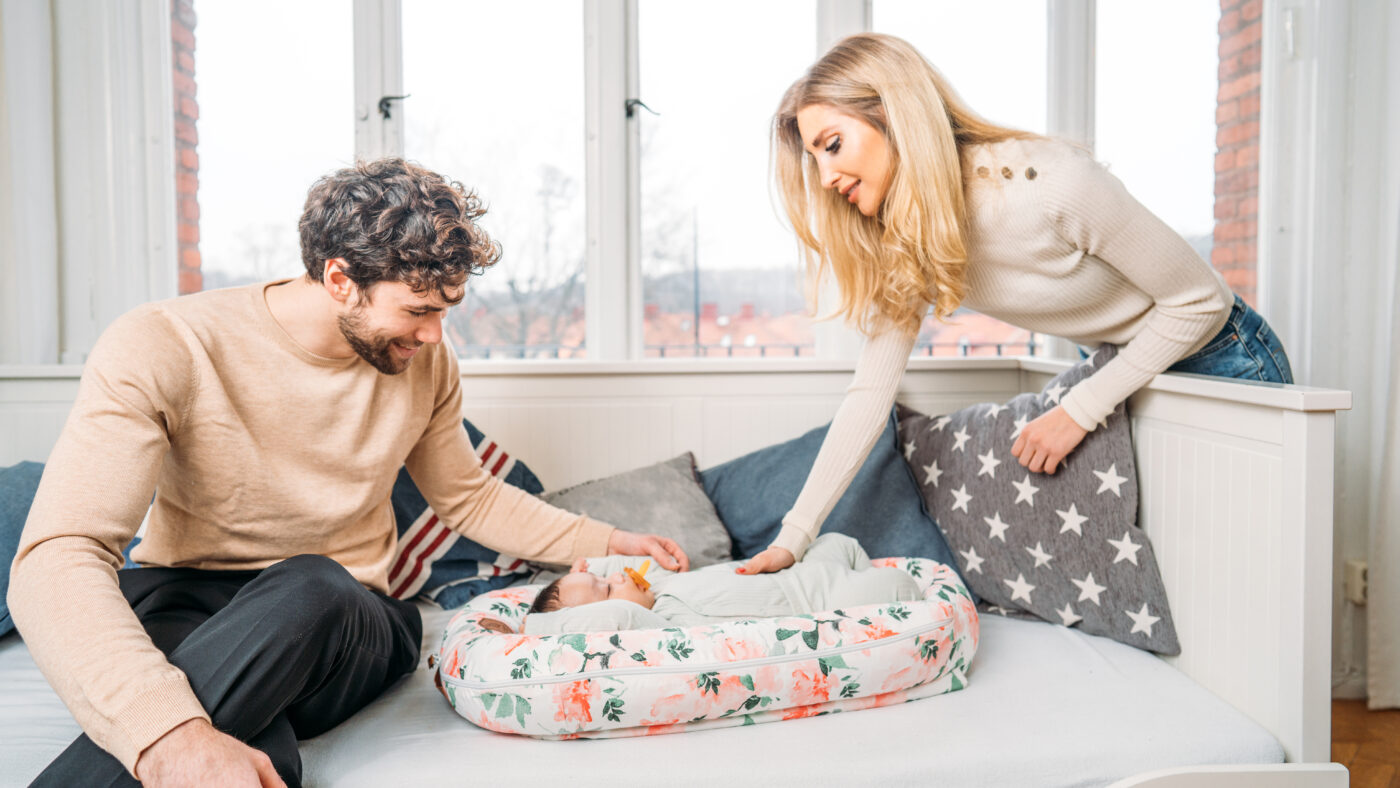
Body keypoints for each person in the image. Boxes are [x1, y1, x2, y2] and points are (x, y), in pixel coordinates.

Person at [7, 158, 689, 788]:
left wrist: (604, 543)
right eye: (419, 311)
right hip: (187, 602)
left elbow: (469, 497)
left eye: (446, 312)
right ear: (340, 279)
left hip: (349, 621)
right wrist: (174, 736)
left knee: (313, 584)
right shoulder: (165, 343)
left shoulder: (426, 365)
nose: (433, 337)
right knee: (251, 755)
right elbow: (57, 558)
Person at [738, 33, 1294, 576]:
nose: (827, 176)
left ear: (893, 115)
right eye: (814, 159)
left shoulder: (1047, 185)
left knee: (1260, 571)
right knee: (1204, 581)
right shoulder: (908, 239)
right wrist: (794, 538)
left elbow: (1201, 301)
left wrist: (1077, 410)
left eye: (832, 145)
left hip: (1219, 358)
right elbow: (869, 395)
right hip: (1127, 372)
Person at [523, 533, 921, 633]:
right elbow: (615, 615)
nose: (616, 579)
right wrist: (538, 625)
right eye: (606, 589)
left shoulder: (657, 585)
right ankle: (868, 595)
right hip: (820, 600)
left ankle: (864, 579)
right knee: (900, 586)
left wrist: (592, 567)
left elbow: (635, 563)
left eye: (605, 578)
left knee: (838, 541)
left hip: (798, 569)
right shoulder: (663, 625)